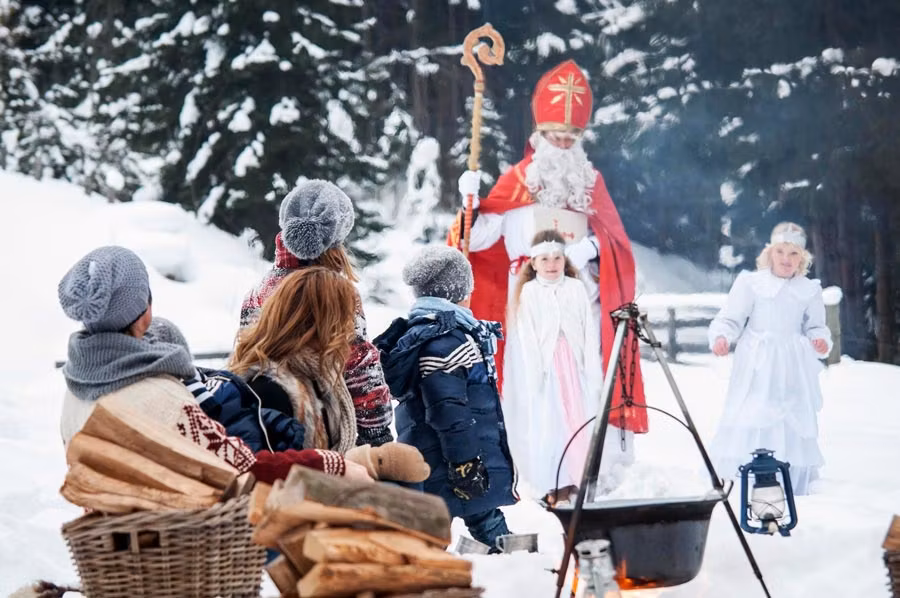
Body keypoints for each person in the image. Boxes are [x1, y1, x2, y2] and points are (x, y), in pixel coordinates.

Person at [448, 60, 647, 469]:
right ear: (538, 135)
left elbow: (615, 244)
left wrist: (588, 252)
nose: (561, 143)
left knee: (585, 375)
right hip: (529, 297)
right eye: (555, 135)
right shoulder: (518, 178)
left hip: (579, 299)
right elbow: (478, 240)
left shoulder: (589, 181)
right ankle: (537, 466)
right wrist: (470, 203)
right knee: (535, 380)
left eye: (570, 136)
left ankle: (592, 466)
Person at [57, 246, 366, 484]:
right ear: (144, 310)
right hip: (178, 554)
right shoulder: (160, 395)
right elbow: (239, 467)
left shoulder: (76, 394)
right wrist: (330, 464)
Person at [374, 246, 517, 552]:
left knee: (478, 514)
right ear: (459, 292)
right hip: (451, 456)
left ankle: (517, 561)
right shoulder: (448, 340)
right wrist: (465, 462)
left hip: (437, 453)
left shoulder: (428, 332)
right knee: (437, 529)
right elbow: (448, 409)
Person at [241, 179, 394, 447]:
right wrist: (377, 431)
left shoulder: (259, 290)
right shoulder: (336, 292)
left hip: (264, 421)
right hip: (319, 426)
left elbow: (246, 356)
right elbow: (357, 363)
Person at [708, 222, 832, 495]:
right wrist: (722, 337)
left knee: (791, 415)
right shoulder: (752, 284)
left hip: (792, 364)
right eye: (781, 252)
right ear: (770, 254)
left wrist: (819, 341)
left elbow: (816, 326)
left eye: (794, 254)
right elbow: (731, 317)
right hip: (758, 361)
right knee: (755, 410)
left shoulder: (808, 290)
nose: (787, 260)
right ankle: (747, 472)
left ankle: (792, 473)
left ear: (803, 258)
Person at [503, 230, 603, 503]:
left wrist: (591, 370)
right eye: (544, 259)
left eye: (557, 258)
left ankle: (578, 478)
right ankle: (554, 481)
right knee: (552, 422)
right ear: (534, 263)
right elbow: (528, 338)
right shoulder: (530, 293)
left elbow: (588, 331)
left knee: (578, 419)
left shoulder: (576, 288)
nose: (551, 264)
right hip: (547, 371)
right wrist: (535, 376)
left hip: (575, 366)